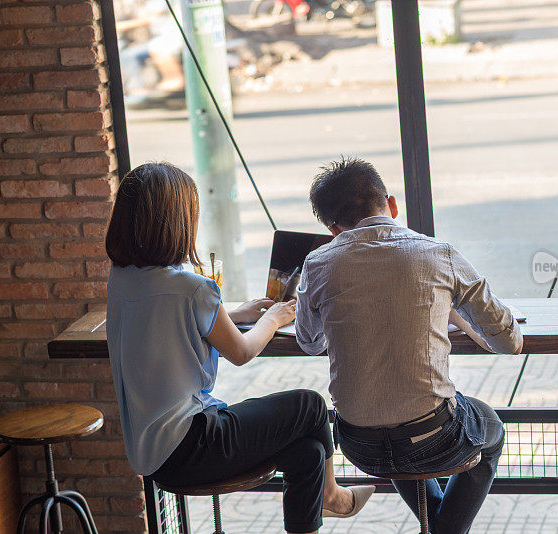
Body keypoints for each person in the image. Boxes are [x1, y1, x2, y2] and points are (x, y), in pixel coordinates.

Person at [105, 162, 373, 534]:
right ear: (177, 222)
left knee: (307, 453)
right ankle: (334, 499)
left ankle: (320, 506)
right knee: (309, 406)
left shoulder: (121, 279)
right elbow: (243, 352)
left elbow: (167, 317)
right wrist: (274, 319)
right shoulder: (191, 287)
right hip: (194, 442)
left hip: (151, 454)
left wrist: (232, 311)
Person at [295, 158, 523, 534]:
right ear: (392, 204)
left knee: (398, 426)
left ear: (333, 229)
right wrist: (445, 309)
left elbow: (309, 341)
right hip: (437, 438)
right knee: (489, 429)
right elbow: (509, 341)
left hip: (357, 443)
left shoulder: (318, 264)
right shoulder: (439, 254)